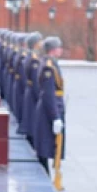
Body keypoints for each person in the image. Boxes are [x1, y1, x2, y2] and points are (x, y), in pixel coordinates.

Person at [31, 37, 66, 174]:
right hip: (48, 111)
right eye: (59, 47)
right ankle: (44, 177)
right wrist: (55, 117)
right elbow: (48, 94)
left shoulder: (50, 63)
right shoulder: (48, 67)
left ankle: (46, 175)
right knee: (45, 147)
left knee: (47, 146)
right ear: (53, 49)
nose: (61, 50)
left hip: (51, 108)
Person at [19, 32, 44, 138]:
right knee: (32, 121)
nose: (42, 43)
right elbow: (35, 81)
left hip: (30, 92)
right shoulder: (33, 59)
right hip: (33, 94)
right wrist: (40, 97)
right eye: (40, 41)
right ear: (35, 44)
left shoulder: (33, 57)